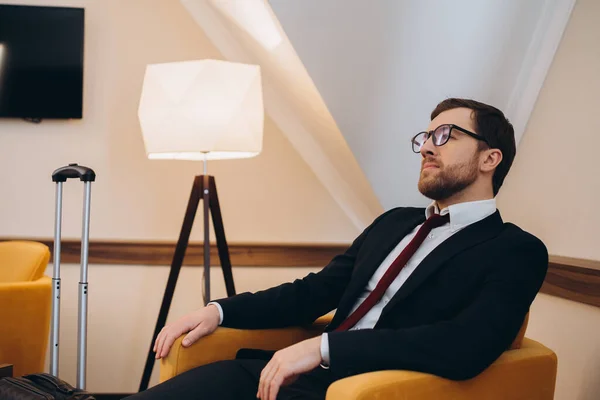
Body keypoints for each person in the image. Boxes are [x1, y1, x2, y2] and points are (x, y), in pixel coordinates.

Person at [126, 98, 548, 400]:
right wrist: (219, 310)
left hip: (370, 388)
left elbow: (464, 347)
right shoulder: (395, 221)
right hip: (295, 375)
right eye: (425, 136)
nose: (426, 147)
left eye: (445, 135)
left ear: (490, 158)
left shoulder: (515, 250)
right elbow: (314, 291)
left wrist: (323, 349)